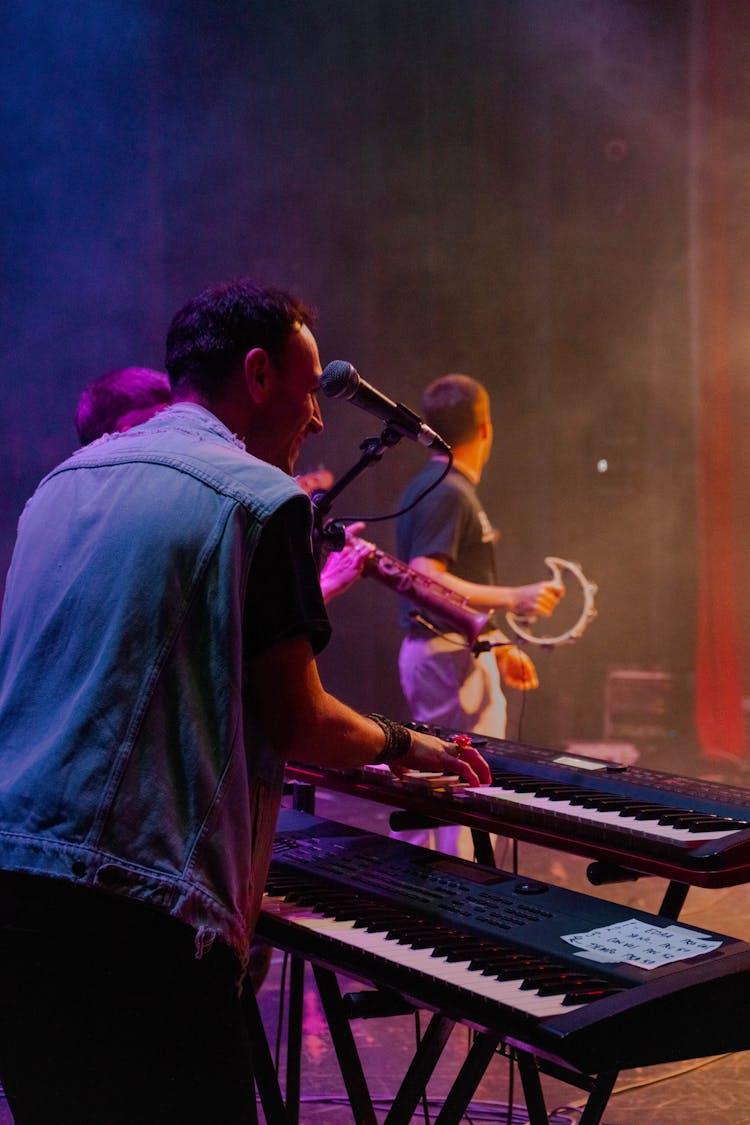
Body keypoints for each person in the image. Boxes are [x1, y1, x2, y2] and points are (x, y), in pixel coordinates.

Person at [0, 279, 490, 1125]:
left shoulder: (60, 484)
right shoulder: (263, 502)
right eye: (309, 392)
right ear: (258, 375)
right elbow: (300, 722)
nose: (319, 420)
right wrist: (412, 745)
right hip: (138, 920)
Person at [397, 373, 563, 739]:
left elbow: (454, 578)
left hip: (451, 651)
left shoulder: (434, 486)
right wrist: (516, 597)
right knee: (464, 782)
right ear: (486, 429)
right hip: (448, 656)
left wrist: (498, 645)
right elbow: (426, 578)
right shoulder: (448, 493)